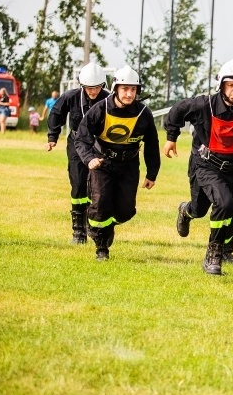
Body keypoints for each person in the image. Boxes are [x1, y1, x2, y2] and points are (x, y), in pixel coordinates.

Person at [163, 59, 233, 276]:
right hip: (205, 166)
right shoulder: (203, 104)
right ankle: (186, 211)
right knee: (203, 208)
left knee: (231, 210)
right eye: (231, 85)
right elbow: (177, 111)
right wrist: (171, 138)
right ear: (222, 86)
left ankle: (221, 252)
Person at [75, 66, 160, 261]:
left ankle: (108, 224)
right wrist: (90, 159)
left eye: (133, 89)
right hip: (102, 164)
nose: (129, 94)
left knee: (125, 211)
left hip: (129, 165)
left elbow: (152, 144)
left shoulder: (144, 113)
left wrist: (152, 173)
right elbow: (81, 138)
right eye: (125, 89)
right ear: (116, 89)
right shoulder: (100, 109)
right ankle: (101, 247)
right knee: (101, 204)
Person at [46, 63, 110, 244]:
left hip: (99, 145)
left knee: (96, 186)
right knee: (78, 185)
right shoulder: (70, 97)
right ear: (82, 86)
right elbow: (56, 114)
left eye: (97, 87)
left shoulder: (108, 99)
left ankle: (92, 223)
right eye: (89, 88)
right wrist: (53, 136)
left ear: (103, 86)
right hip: (76, 144)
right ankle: (78, 230)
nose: (93, 91)